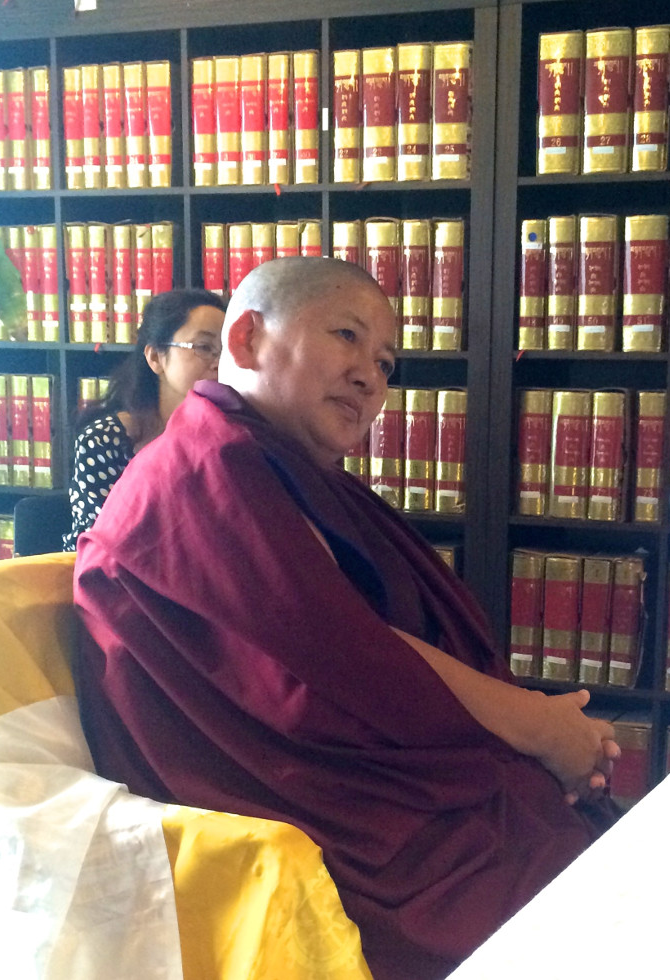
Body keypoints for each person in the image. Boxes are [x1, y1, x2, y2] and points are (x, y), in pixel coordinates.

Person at [72, 257, 621, 980]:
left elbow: (356, 645)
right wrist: (539, 729)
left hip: (392, 780)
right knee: (588, 914)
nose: (370, 376)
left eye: (387, 363)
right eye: (346, 336)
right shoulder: (203, 470)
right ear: (245, 341)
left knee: (611, 863)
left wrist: (545, 736)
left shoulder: (284, 468)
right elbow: (352, 659)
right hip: (326, 818)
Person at [61, 288, 227, 550]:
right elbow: (99, 545)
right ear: (155, 357)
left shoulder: (232, 434)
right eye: (204, 347)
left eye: (225, 350)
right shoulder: (106, 440)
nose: (219, 362)